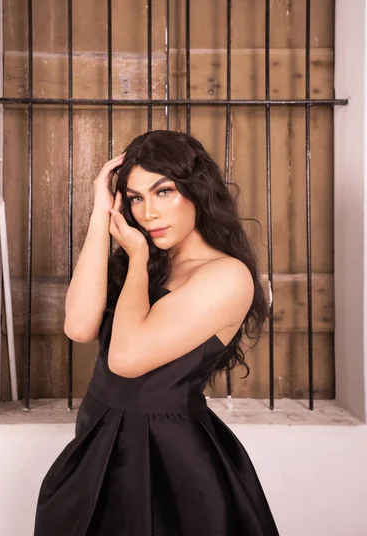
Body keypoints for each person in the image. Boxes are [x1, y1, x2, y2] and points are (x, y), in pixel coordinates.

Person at [33, 129, 280, 536]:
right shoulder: (151, 262)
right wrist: (99, 214)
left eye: (163, 192)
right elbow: (78, 326)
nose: (148, 213)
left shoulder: (226, 275)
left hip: (168, 463)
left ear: (196, 191)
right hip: (99, 445)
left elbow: (126, 359)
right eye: (135, 198)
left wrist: (137, 257)